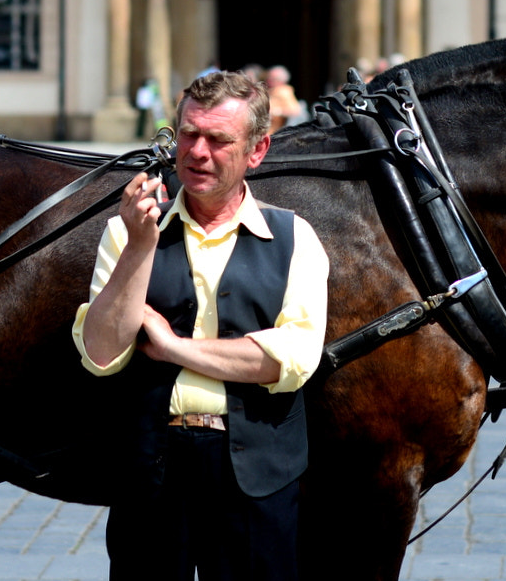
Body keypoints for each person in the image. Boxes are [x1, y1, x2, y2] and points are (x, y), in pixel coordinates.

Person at [73, 71, 329, 581]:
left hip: (256, 473)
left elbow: (289, 361)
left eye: (218, 139)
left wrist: (171, 346)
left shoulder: (294, 237)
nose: (197, 151)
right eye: (189, 133)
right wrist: (141, 247)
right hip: (152, 472)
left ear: (257, 151)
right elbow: (101, 353)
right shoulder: (126, 234)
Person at [265, 65, 304, 133]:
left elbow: (295, 111)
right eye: (268, 78)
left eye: (272, 79)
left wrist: (275, 112)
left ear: (281, 80)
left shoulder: (284, 91)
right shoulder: (269, 91)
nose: (269, 81)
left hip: (274, 133)